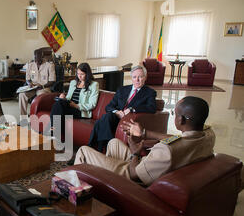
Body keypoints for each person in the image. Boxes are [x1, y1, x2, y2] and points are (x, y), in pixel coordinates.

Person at [75, 96, 215, 186]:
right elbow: (180, 141)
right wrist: (145, 134)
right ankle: (107, 185)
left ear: (181, 120)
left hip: (134, 176)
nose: (174, 116)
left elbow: (135, 174)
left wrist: (135, 152)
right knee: (113, 143)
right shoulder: (208, 135)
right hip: (149, 167)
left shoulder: (168, 150)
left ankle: (72, 192)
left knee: (83, 151)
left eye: (175, 113)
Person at [88, 65, 156, 152]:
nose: (137, 80)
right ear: (131, 78)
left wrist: (132, 109)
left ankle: (94, 148)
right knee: (107, 117)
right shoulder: (122, 89)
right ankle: (109, 147)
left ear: (145, 77)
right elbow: (109, 107)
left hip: (128, 120)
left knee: (100, 122)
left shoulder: (149, 92)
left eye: (140, 77)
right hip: (115, 118)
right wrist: (117, 112)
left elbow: (151, 107)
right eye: (134, 77)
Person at [45, 62, 99, 138]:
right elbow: (69, 97)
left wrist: (76, 105)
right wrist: (63, 97)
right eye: (78, 73)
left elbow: (92, 104)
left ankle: (53, 130)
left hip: (80, 111)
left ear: (87, 74)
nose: (79, 76)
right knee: (59, 103)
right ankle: (55, 131)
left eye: (82, 74)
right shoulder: (73, 82)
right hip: (70, 105)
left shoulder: (94, 85)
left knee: (58, 106)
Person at [18, 49, 55, 123]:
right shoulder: (30, 65)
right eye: (35, 58)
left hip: (44, 87)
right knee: (22, 95)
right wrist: (29, 84)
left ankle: (39, 118)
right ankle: (23, 119)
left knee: (41, 96)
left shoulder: (50, 65)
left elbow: (52, 81)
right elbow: (28, 79)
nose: (37, 60)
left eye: (39, 58)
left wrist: (42, 86)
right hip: (32, 87)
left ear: (43, 57)